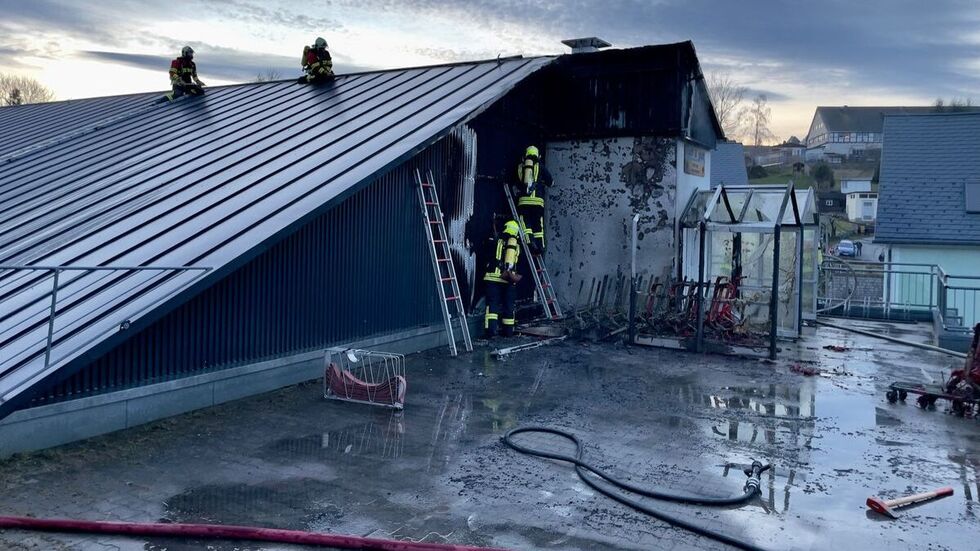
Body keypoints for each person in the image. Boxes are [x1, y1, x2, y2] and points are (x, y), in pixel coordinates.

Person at [483, 219, 522, 338]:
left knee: (492, 306)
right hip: (508, 280)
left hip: (493, 278)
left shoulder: (495, 241)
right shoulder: (516, 245)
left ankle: (491, 332)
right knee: (509, 306)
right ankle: (508, 332)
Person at [513, 145, 553, 254]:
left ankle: (530, 242)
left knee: (525, 223)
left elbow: (517, 182)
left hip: (524, 201)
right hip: (538, 202)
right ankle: (541, 246)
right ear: (538, 155)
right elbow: (551, 182)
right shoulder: (540, 166)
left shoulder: (520, 166)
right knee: (538, 225)